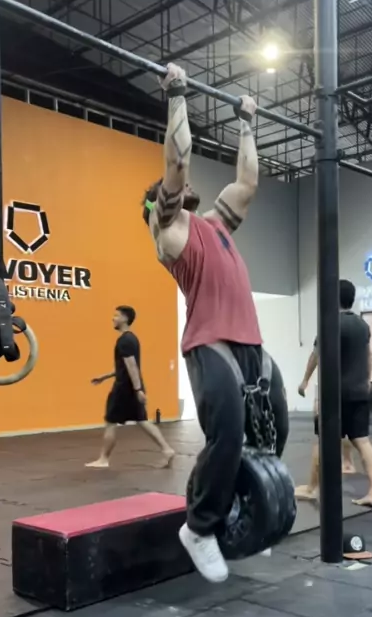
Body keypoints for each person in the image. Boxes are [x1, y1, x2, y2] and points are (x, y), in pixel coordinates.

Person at [142, 63, 288, 583]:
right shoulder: (169, 233)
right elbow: (178, 160)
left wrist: (247, 122)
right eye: (173, 187)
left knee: (274, 430)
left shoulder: (216, 225)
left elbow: (247, 181)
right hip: (209, 343)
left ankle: (249, 510)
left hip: (250, 342)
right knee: (226, 435)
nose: (184, 185)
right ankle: (199, 528)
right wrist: (177, 95)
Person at [295, 279, 372, 507]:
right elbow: (368, 355)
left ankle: (312, 489)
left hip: (335, 394)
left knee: (323, 441)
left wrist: (305, 381)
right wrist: (367, 380)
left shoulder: (330, 324)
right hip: (359, 391)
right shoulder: (362, 326)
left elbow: (316, 356)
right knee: (362, 440)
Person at [86, 305, 175, 469]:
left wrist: (137, 389)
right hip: (132, 387)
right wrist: (105, 377)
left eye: (116, 315)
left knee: (110, 422)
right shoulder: (132, 339)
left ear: (125, 319)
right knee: (142, 421)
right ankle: (167, 449)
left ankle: (103, 459)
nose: (113, 318)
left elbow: (132, 366)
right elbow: (125, 367)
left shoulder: (124, 341)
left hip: (123, 389)